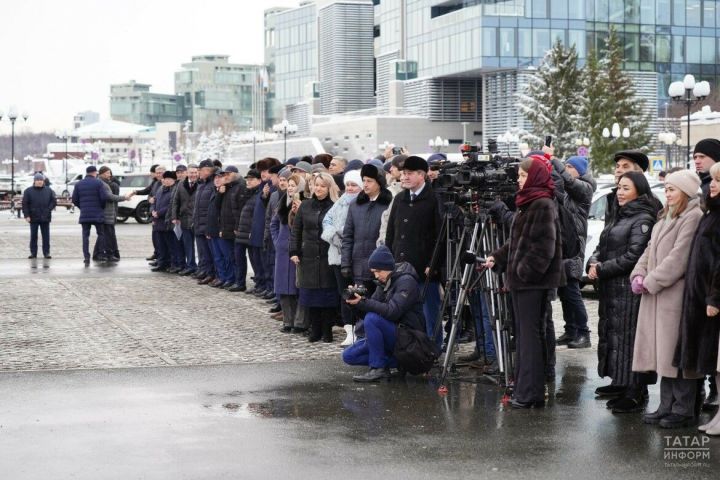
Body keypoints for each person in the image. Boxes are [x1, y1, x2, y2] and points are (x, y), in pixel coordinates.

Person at [484, 157, 564, 408]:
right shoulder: (529, 203)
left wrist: (522, 271)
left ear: (534, 177)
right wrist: (497, 257)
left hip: (531, 283)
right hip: (524, 281)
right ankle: (525, 389)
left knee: (529, 336)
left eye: (522, 175)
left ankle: (530, 393)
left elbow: (543, 248)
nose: (518, 180)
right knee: (525, 336)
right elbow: (517, 242)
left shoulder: (541, 204)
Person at [630, 170, 703, 428]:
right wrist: (638, 273)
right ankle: (666, 405)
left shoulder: (692, 217)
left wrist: (650, 282)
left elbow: (679, 258)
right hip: (658, 296)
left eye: (672, 189)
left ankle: (683, 409)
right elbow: (649, 250)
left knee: (677, 354)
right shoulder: (665, 217)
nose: (667, 194)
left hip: (675, 296)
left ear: (685, 191)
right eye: (667, 189)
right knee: (663, 353)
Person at [587, 171, 662, 413]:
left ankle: (635, 391)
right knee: (615, 336)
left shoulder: (643, 219)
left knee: (630, 340)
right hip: (612, 288)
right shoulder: (620, 215)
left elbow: (634, 256)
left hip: (629, 290)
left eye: (626, 188)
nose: (619, 192)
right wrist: (593, 262)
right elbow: (602, 245)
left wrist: (601, 269)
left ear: (639, 191)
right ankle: (620, 381)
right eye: (619, 187)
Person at [674, 161, 720, 434]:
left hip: (713, 299)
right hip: (702, 296)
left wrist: (715, 298)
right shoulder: (711, 212)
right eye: (712, 180)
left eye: (718, 181)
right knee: (714, 362)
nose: (712, 185)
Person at [342, 245, 426, 382]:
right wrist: (355, 303)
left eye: (378, 271)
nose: (376, 275)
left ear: (388, 267)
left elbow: (392, 312)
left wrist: (364, 302)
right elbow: (370, 310)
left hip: (409, 338)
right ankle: (396, 363)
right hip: (392, 336)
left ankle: (377, 368)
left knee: (372, 318)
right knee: (348, 356)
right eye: (373, 272)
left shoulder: (407, 281)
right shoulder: (385, 281)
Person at [385, 155, 443, 347]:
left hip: (424, 268)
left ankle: (433, 348)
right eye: (403, 174)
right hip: (401, 266)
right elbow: (391, 232)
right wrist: (389, 260)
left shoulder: (434, 199)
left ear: (421, 175)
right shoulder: (400, 198)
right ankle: (410, 348)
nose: (404, 177)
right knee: (404, 311)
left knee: (429, 311)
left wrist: (432, 264)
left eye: (409, 174)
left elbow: (439, 236)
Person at [340, 164, 393, 346]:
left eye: (369, 181)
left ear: (379, 182)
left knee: (378, 304)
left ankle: (378, 339)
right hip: (358, 263)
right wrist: (345, 263)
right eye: (364, 181)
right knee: (359, 302)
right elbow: (348, 236)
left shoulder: (388, 204)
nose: (366, 184)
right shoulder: (356, 204)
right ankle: (362, 337)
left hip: (381, 267)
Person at [551, 156, 596, 349]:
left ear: (580, 170)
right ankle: (571, 330)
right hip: (565, 244)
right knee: (564, 291)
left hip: (575, 247)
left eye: (570, 167)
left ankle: (583, 333)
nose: (567, 169)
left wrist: (553, 159)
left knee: (572, 291)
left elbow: (568, 182)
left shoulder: (585, 188)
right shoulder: (570, 191)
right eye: (566, 165)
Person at [290, 172, 340, 342]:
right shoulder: (305, 206)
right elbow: (297, 230)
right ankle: (315, 329)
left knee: (327, 294)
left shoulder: (335, 206)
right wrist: (294, 251)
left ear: (329, 188)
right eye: (316, 185)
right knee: (310, 295)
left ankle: (327, 330)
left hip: (327, 256)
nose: (318, 188)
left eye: (322, 185)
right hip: (308, 256)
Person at [322, 169, 362, 342]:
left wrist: (342, 237)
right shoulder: (339, 202)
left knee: (357, 293)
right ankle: (349, 330)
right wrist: (334, 235)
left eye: (354, 185)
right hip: (337, 255)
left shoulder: (361, 204)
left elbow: (354, 229)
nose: (350, 188)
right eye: (348, 185)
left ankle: (359, 328)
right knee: (343, 293)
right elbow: (327, 221)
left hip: (354, 256)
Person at [272, 170, 302, 331]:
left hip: (297, 251)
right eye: (289, 185)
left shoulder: (303, 202)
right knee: (284, 287)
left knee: (296, 288)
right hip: (283, 250)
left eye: (293, 185)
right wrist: (278, 241)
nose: (290, 188)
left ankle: (298, 322)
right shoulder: (282, 202)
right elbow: (274, 224)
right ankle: (287, 321)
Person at [72, 166, 109, 265]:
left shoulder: (78, 184)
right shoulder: (99, 183)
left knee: (85, 236)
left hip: (85, 214)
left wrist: (82, 207)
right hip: (98, 214)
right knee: (101, 234)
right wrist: (101, 207)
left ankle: (86, 257)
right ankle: (100, 254)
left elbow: (74, 200)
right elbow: (104, 198)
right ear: (95, 173)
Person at [94, 166, 132, 262]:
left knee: (103, 235)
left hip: (107, 213)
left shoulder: (103, 183)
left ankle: (97, 254)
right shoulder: (102, 184)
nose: (109, 175)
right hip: (106, 213)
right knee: (108, 235)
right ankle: (108, 254)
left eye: (109, 172)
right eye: (107, 173)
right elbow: (109, 197)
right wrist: (124, 197)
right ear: (102, 173)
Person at [236, 169, 265, 294]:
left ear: (259, 180)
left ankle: (261, 284)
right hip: (245, 232)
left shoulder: (259, 194)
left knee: (258, 261)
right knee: (254, 260)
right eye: (247, 179)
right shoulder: (249, 193)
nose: (248, 181)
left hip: (252, 233)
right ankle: (259, 284)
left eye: (251, 179)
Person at [193, 160, 217, 284]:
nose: (198, 173)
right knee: (203, 252)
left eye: (200, 170)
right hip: (199, 224)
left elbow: (211, 207)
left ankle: (212, 274)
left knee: (210, 253)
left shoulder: (213, 183)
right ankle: (207, 272)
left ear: (207, 170)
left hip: (207, 224)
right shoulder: (202, 184)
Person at [134, 164, 165, 264]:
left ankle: (161, 258)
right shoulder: (155, 182)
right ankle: (158, 255)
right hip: (154, 213)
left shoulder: (165, 183)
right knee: (155, 237)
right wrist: (137, 192)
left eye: (161, 173)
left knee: (161, 239)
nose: (159, 174)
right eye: (158, 173)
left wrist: (153, 200)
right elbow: (149, 194)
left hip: (161, 214)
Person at [171, 164, 199, 276]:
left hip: (198, 220)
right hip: (185, 219)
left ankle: (201, 268)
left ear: (198, 173)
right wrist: (175, 216)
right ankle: (191, 265)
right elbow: (175, 201)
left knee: (202, 247)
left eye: (195, 172)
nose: (193, 175)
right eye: (191, 172)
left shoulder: (201, 184)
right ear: (187, 173)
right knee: (188, 244)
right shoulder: (181, 184)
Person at [22, 173, 56, 259]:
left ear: (43, 181)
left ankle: (46, 253)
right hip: (33, 217)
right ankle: (33, 253)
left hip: (45, 216)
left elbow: (53, 201)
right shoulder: (28, 191)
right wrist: (27, 215)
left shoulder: (49, 190)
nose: (39, 182)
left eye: (41, 180)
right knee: (33, 236)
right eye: (38, 180)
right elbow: (25, 204)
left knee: (46, 236)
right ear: (34, 181)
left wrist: (48, 209)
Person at [150, 171, 178, 272]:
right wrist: (153, 212)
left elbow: (171, 205)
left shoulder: (174, 190)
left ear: (173, 180)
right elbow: (154, 201)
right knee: (160, 244)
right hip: (158, 221)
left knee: (170, 245)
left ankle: (171, 263)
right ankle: (162, 263)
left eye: (169, 179)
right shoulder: (160, 189)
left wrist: (159, 213)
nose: (166, 181)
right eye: (165, 179)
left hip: (167, 221)